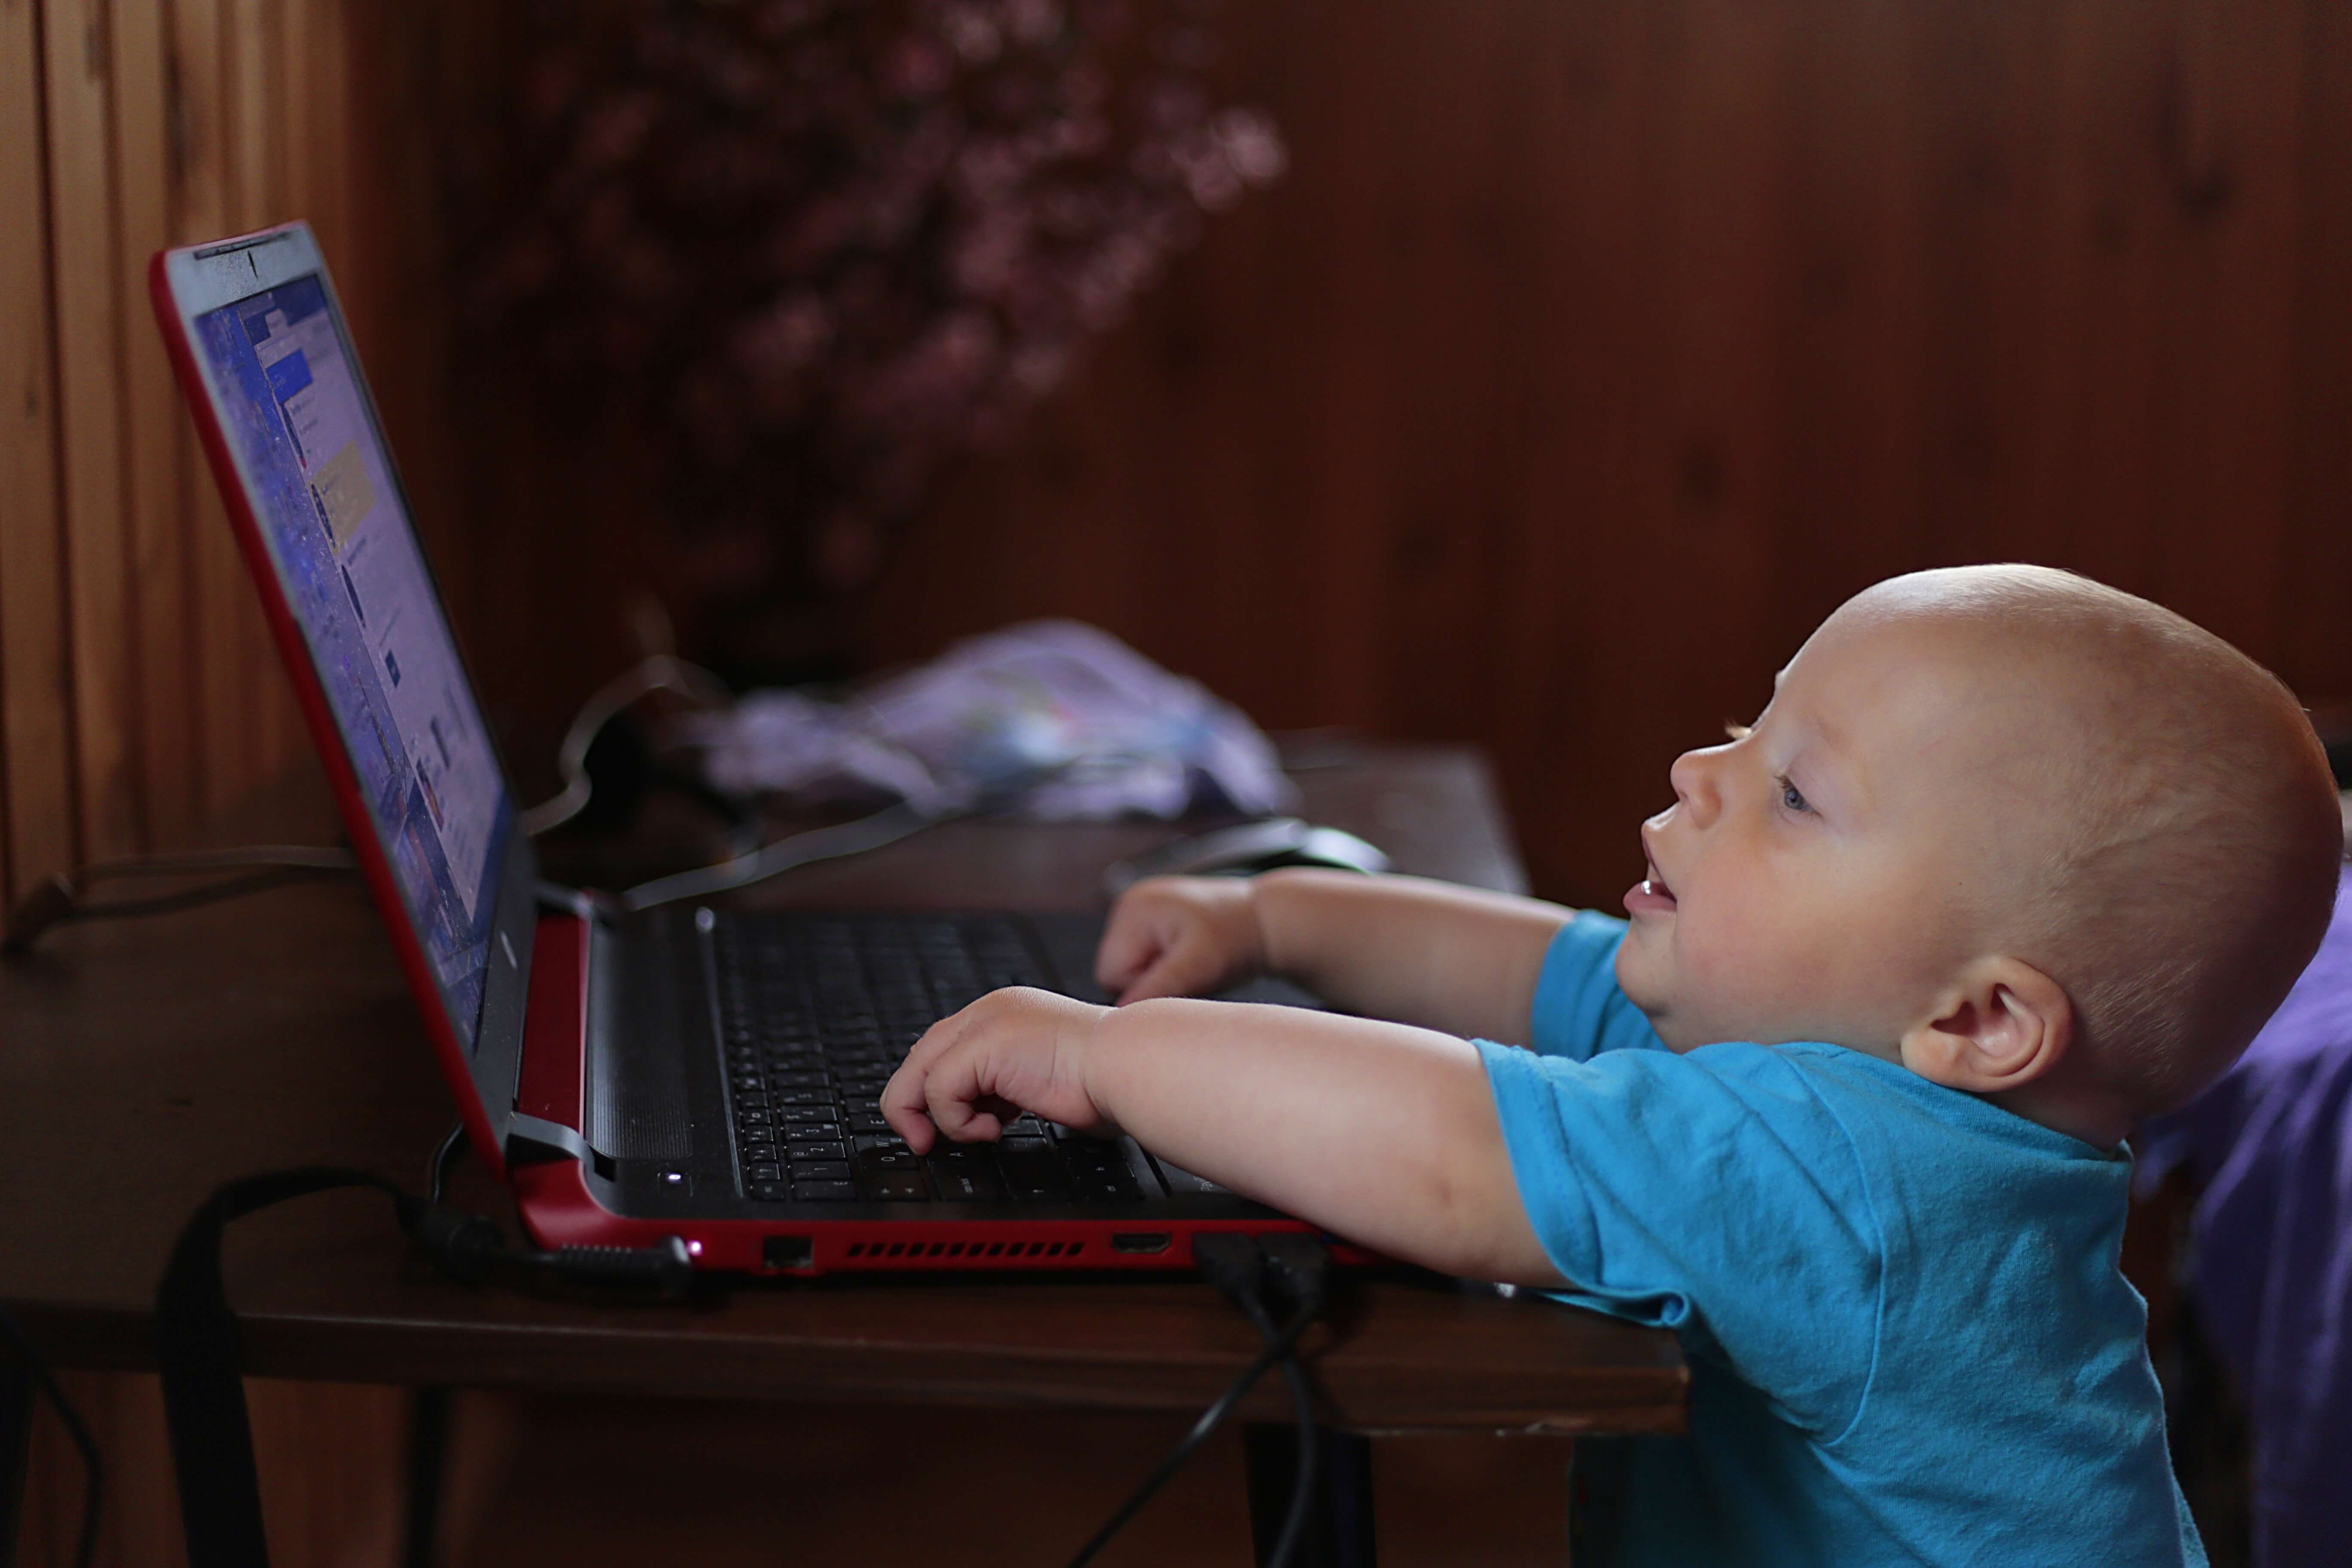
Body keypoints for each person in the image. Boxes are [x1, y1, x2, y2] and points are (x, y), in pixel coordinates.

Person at [881, 564, 2345, 1565]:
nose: (1703, 776)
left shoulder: (1855, 1175)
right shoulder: (1856, 1066)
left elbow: (1450, 1152)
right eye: (1747, 724)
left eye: (1792, 791)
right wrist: (1273, 916)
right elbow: (1545, 970)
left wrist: (1110, 1056)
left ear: (1978, 1022)